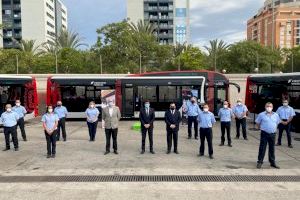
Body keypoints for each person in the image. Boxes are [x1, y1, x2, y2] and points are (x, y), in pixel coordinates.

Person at [256, 102, 281, 169]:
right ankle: (260, 162)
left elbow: (277, 123)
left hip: (273, 134)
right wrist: (260, 128)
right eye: (267, 106)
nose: (269, 107)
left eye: (270, 106)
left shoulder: (276, 115)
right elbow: (258, 123)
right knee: (262, 148)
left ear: (272, 107)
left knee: (272, 149)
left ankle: (272, 162)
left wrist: (274, 129)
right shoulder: (261, 114)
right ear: (265, 107)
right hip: (264, 133)